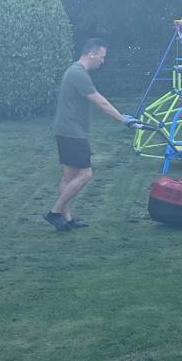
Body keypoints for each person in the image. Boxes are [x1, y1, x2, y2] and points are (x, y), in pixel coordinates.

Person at [45, 38, 136, 231]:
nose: (103, 61)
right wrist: (123, 119)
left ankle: (66, 220)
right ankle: (54, 212)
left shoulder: (75, 71)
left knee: (69, 176)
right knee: (85, 174)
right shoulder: (78, 74)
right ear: (91, 54)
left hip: (66, 130)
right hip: (72, 132)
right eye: (101, 57)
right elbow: (100, 102)